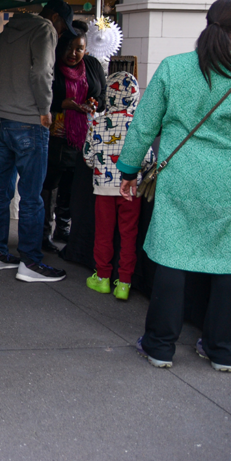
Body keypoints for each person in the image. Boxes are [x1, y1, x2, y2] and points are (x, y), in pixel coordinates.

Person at [121, 0, 231, 372]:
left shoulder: (173, 69)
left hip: (181, 179)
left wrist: (128, 171)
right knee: (230, 263)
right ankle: (222, 351)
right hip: (230, 183)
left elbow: (144, 125)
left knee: (172, 258)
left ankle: (160, 347)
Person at [0, 0, 76, 282]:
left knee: (1, 189)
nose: (60, 32)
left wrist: (2, 100)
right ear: (55, 17)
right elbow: (42, 72)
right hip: (32, 122)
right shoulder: (45, 29)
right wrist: (45, 109)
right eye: (62, 26)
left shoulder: (8, 32)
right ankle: (30, 262)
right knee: (32, 196)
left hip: (5, 120)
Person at [82, 71, 152, 300]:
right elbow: (148, 159)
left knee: (103, 233)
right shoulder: (139, 125)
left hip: (103, 189)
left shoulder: (97, 123)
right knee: (128, 234)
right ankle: (124, 283)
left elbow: (88, 158)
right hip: (131, 189)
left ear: (108, 95)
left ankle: (102, 278)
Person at [40, 21, 106, 251]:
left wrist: (94, 102)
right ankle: (44, 231)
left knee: (73, 183)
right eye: (69, 47)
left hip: (83, 137)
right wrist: (61, 104)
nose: (73, 53)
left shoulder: (92, 65)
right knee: (50, 183)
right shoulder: (51, 66)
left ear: (86, 49)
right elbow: (40, 95)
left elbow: (103, 96)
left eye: (79, 48)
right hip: (54, 136)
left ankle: (64, 228)